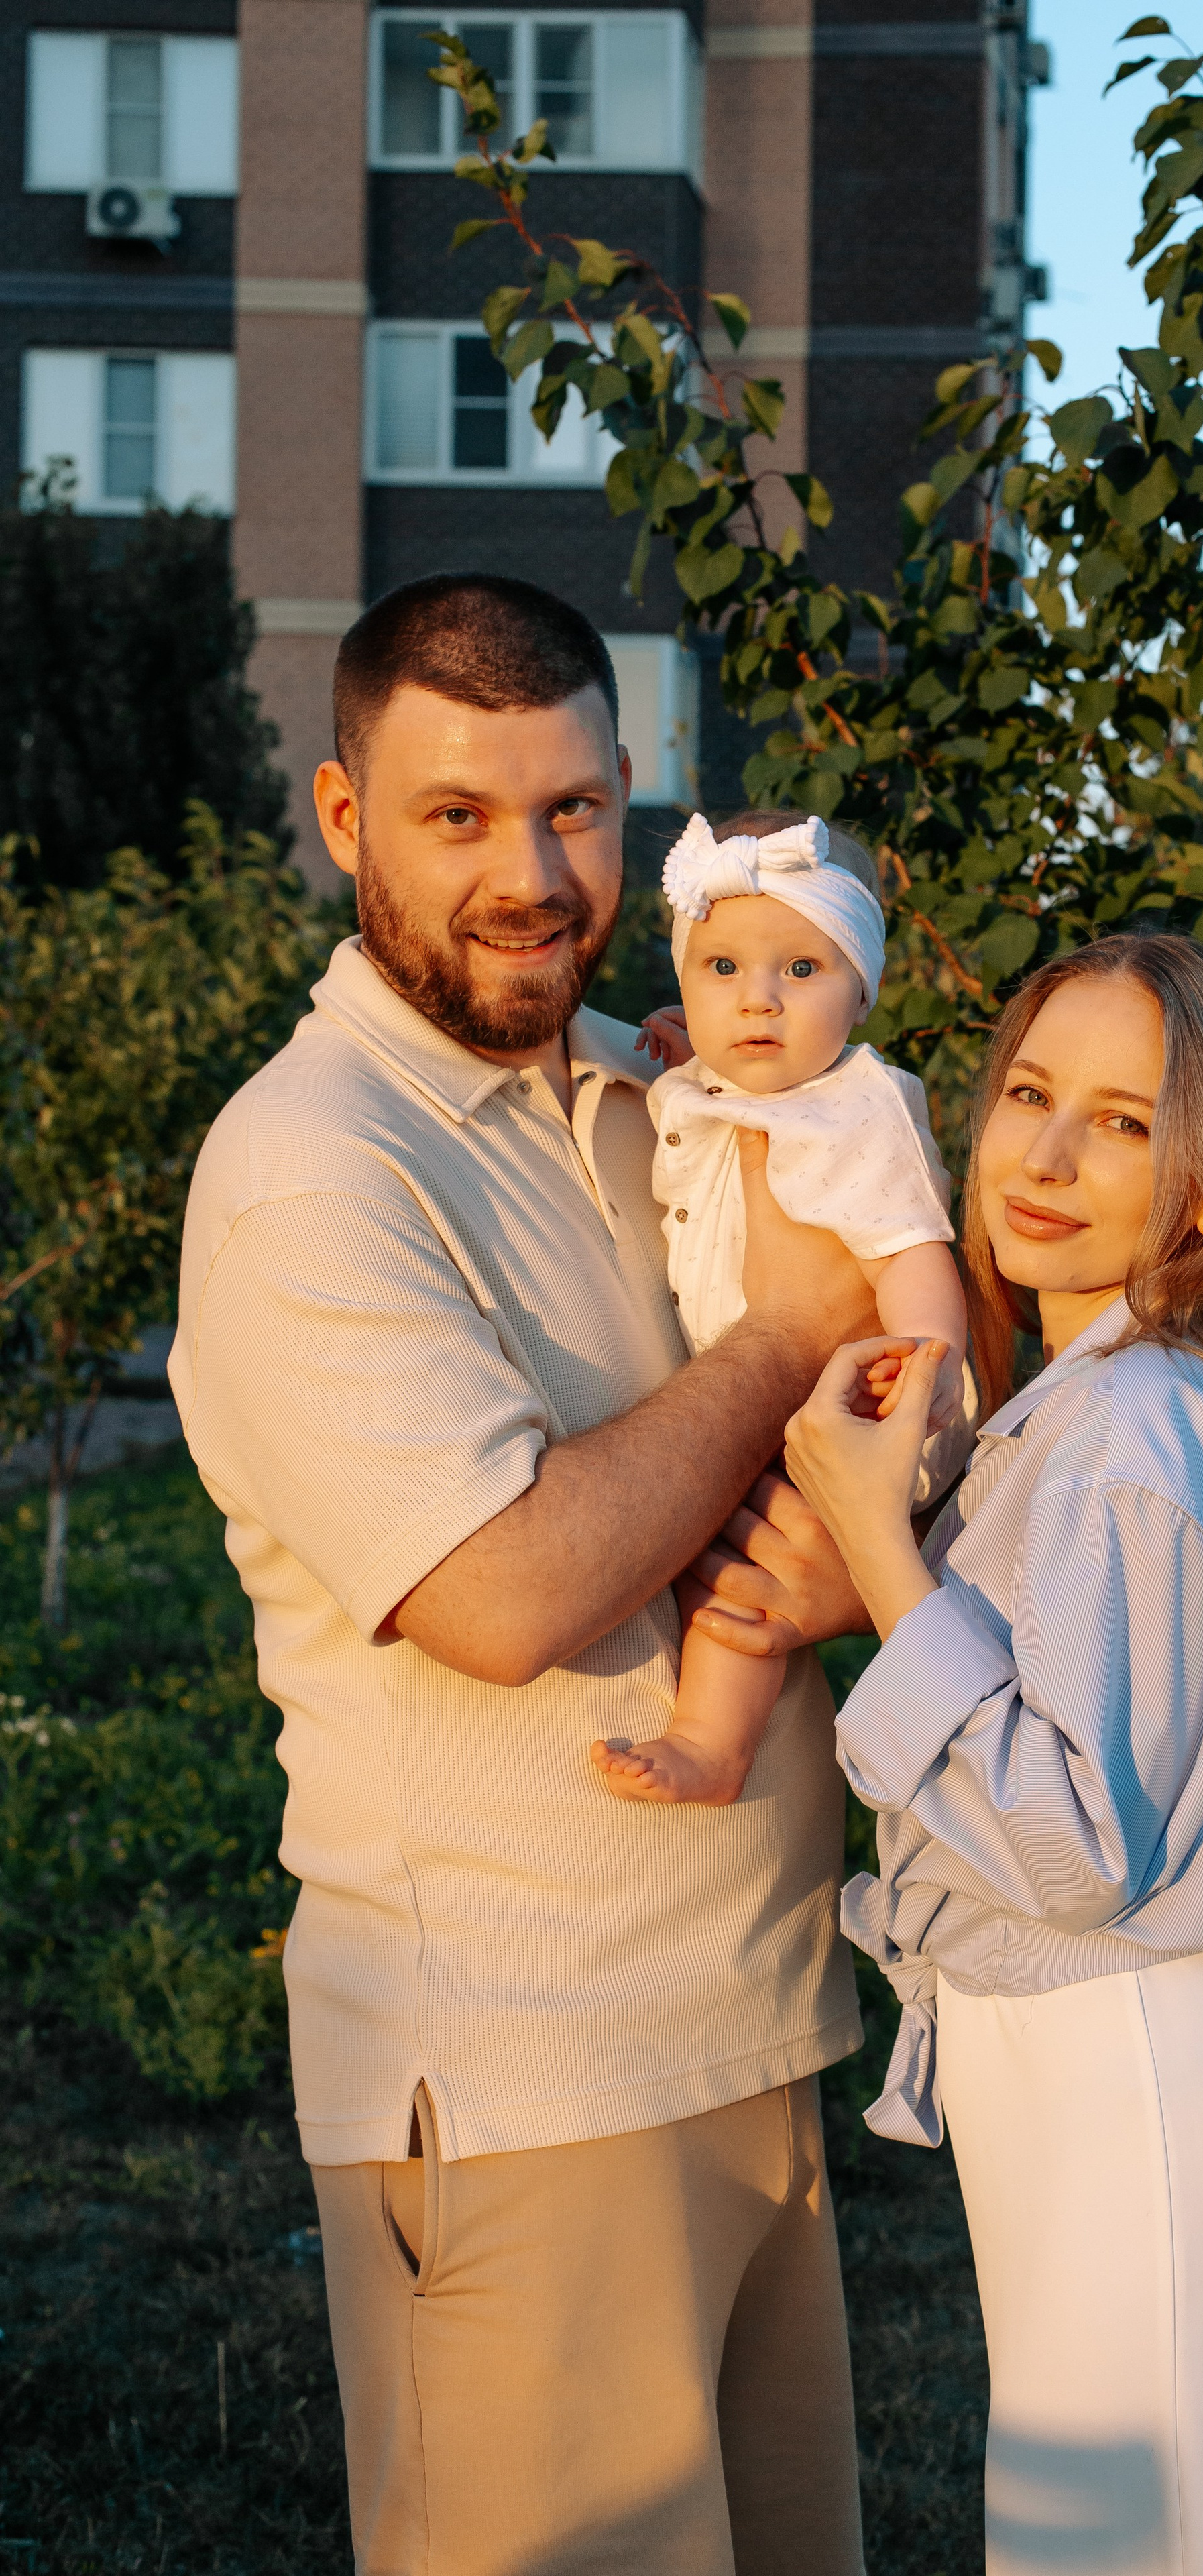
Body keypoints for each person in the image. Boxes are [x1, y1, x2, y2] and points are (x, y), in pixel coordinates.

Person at [168, 573, 874, 2576]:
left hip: (752, 2030)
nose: (530, 873)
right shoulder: (315, 1167)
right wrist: (780, 1339)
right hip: (519, 2083)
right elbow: (496, 1591)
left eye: (571, 808)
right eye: (457, 815)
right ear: (342, 816)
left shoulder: (654, 1096)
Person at [784, 932, 1203, 2576]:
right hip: (1112, 2077)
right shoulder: (1095, 1412)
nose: (1046, 1156)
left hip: (1133, 2078)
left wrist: (876, 1544)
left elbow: (1068, 1844)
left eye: (1123, 1123)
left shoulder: (1132, 1432)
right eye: (1027, 1095)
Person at [593, 804, 970, 1805]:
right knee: (716, 1529)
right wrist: (690, 1046)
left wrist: (927, 1359)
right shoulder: (725, 1078)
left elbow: (913, 1247)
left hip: (850, 1407)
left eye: (801, 970)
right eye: (722, 970)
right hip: (757, 1387)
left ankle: (713, 1742)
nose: (758, 1001)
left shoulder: (860, 1108)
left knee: (745, 1556)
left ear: (861, 990)